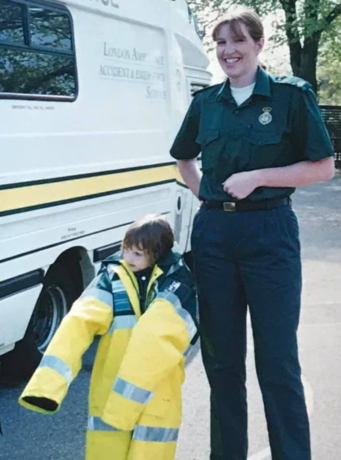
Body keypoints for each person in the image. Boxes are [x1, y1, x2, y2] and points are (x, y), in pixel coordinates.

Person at [170, 6, 335, 460]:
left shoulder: (290, 95)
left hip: (270, 234)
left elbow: (322, 168)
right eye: (221, 42)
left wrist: (259, 177)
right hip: (215, 236)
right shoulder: (206, 103)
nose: (228, 51)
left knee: (277, 362)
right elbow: (183, 158)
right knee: (221, 363)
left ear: (259, 44)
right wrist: (206, 191)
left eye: (239, 41)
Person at [18, 214, 198, 460]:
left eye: (138, 254)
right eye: (126, 250)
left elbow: (156, 336)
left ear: (157, 255)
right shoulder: (112, 277)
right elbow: (79, 322)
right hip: (115, 389)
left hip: (156, 393)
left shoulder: (180, 282)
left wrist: (122, 408)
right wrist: (46, 387)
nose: (129, 258)